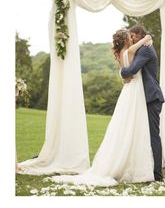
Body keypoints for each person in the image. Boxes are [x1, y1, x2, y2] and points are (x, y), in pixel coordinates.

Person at [51, 29, 155, 186]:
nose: (132, 39)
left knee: (126, 124)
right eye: (129, 37)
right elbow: (134, 56)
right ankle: (135, 166)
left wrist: (123, 75)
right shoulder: (128, 51)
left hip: (128, 90)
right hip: (134, 90)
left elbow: (123, 71)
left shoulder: (120, 54)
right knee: (135, 123)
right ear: (126, 40)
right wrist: (146, 38)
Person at [121, 25, 165, 181]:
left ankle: (158, 174)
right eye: (130, 36)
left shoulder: (145, 50)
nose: (132, 38)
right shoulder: (142, 47)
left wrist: (122, 72)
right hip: (145, 97)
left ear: (140, 34)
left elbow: (131, 70)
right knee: (145, 134)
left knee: (154, 135)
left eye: (133, 36)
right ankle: (146, 168)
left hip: (152, 97)